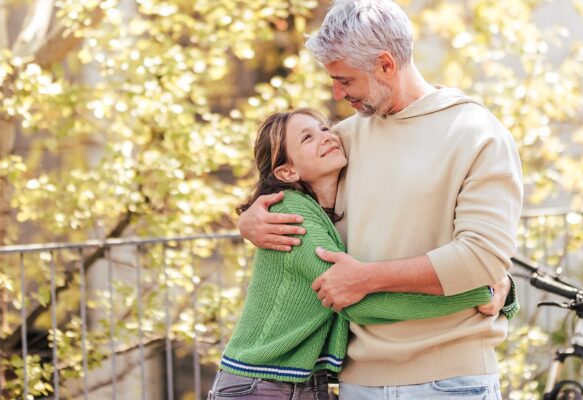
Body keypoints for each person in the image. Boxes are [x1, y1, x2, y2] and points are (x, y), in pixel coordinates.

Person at [238, 0, 522, 399]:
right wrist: (248, 222)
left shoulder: (475, 135)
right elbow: (292, 191)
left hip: (453, 383)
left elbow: (483, 256)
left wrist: (367, 278)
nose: (337, 94)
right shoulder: (342, 141)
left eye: (345, 80)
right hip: (359, 384)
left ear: (385, 65)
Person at [208, 108, 513, 400]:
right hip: (260, 385)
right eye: (307, 138)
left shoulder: (330, 211)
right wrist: (476, 291)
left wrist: (495, 283)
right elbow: (360, 302)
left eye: (324, 128)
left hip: (301, 381)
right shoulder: (291, 213)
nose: (326, 136)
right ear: (287, 171)